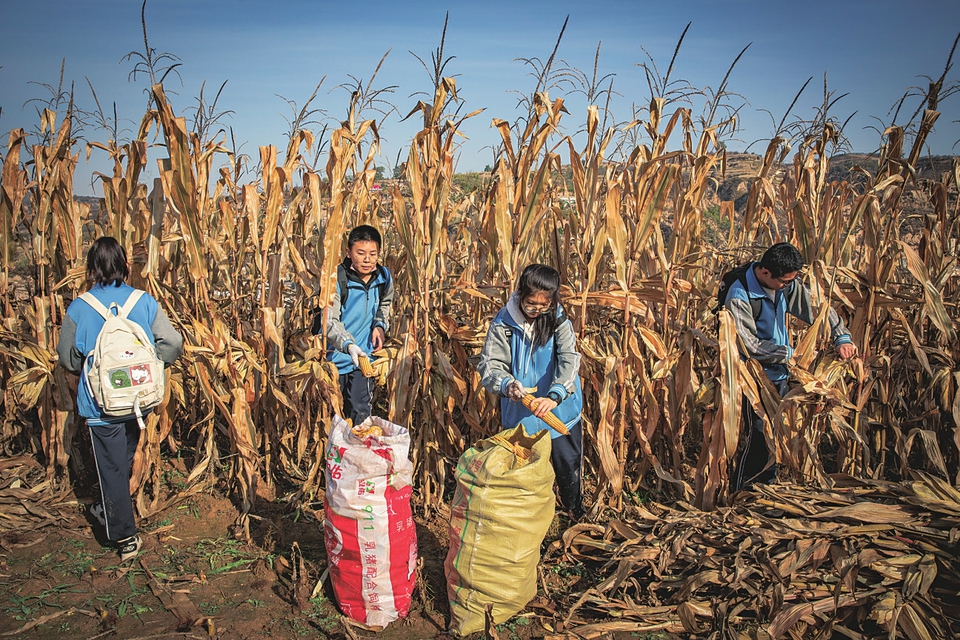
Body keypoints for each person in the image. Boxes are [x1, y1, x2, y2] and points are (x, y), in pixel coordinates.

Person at [56, 236, 183, 561]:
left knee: (111, 467)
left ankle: (124, 536)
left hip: (101, 404)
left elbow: (68, 359)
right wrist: (155, 363)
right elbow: (171, 342)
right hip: (139, 399)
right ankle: (114, 510)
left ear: (91, 269)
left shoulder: (80, 307)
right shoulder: (144, 302)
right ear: (126, 265)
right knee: (124, 459)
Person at [723, 242, 857, 490]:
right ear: (765, 272)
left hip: (781, 374)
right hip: (753, 378)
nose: (788, 286)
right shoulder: (739, 295)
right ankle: (743, 490)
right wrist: (790, 355)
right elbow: (747, 345)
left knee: (778, 433)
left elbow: (818, 311)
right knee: (759, 436)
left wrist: (842, 337)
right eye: (784, 281)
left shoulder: (786, 286)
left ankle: (768, 487)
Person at [477, 264, 585, 519]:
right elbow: (491, 366)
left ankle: (574, 513)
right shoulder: (503, 323)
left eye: (543, 306)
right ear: (520, 295)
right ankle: (531, 522)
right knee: (523, 477)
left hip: (560, 411)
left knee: (568, 467)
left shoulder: (558, 319)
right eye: (530, 305)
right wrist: (508, 385)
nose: (536, 310)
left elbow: (569, 359)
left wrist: (555, 395)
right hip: (521, 418)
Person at [321, 225, 394, 424]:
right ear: (348, 252)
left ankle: (358, 455)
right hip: (334, 361)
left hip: (363, 360)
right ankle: (334, 455)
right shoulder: (337, 279)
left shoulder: (383, 277)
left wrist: (380, 325)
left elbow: (385, 304)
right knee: (333, 418)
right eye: (360, 253)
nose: (367, 259)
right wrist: (348, 345)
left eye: (373, 254)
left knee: (360, 415)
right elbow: (329, 321)